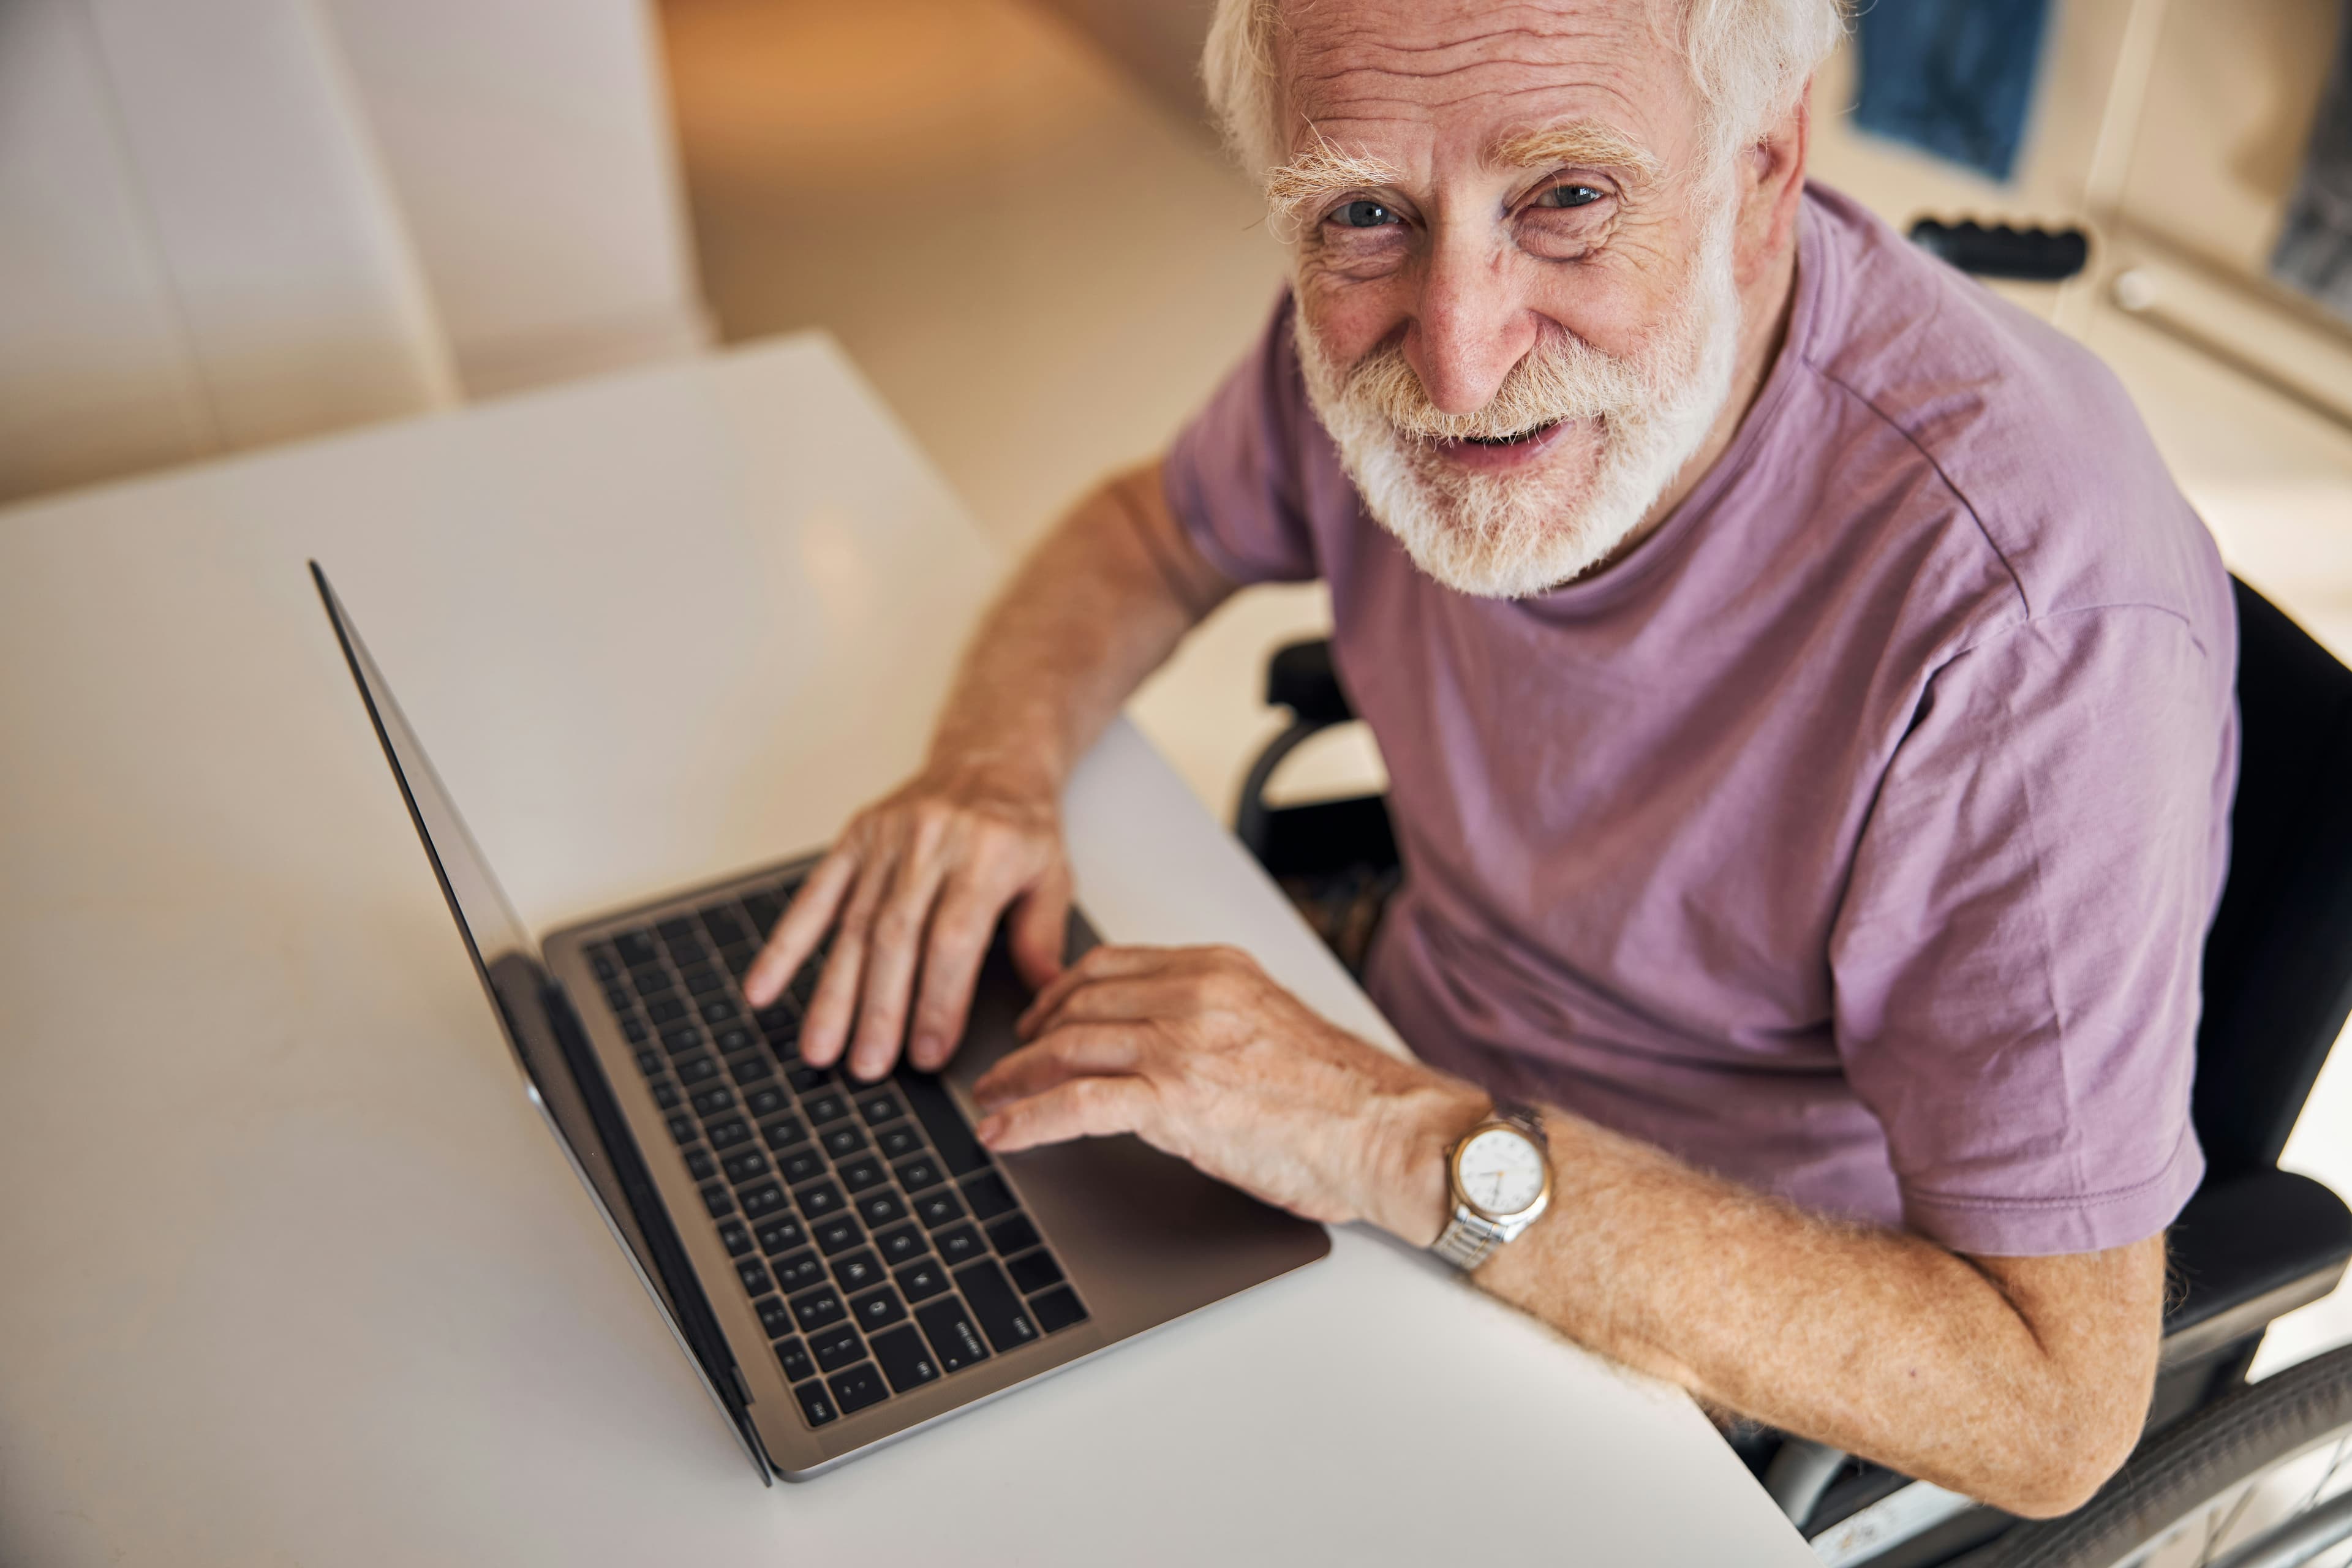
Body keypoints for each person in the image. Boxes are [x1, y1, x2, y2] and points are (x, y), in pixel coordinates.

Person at [744, 0, 2236, 1517]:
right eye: (1366, 212)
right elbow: (1153, 529)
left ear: (1763, 167)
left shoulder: (2031, 620)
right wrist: (989, 769)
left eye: (1569, 199)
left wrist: (1378, 1132)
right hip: (1377, 1074)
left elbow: (2052, 1403)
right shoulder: (1376, 326)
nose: (1455, 364)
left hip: (1701, 1331)